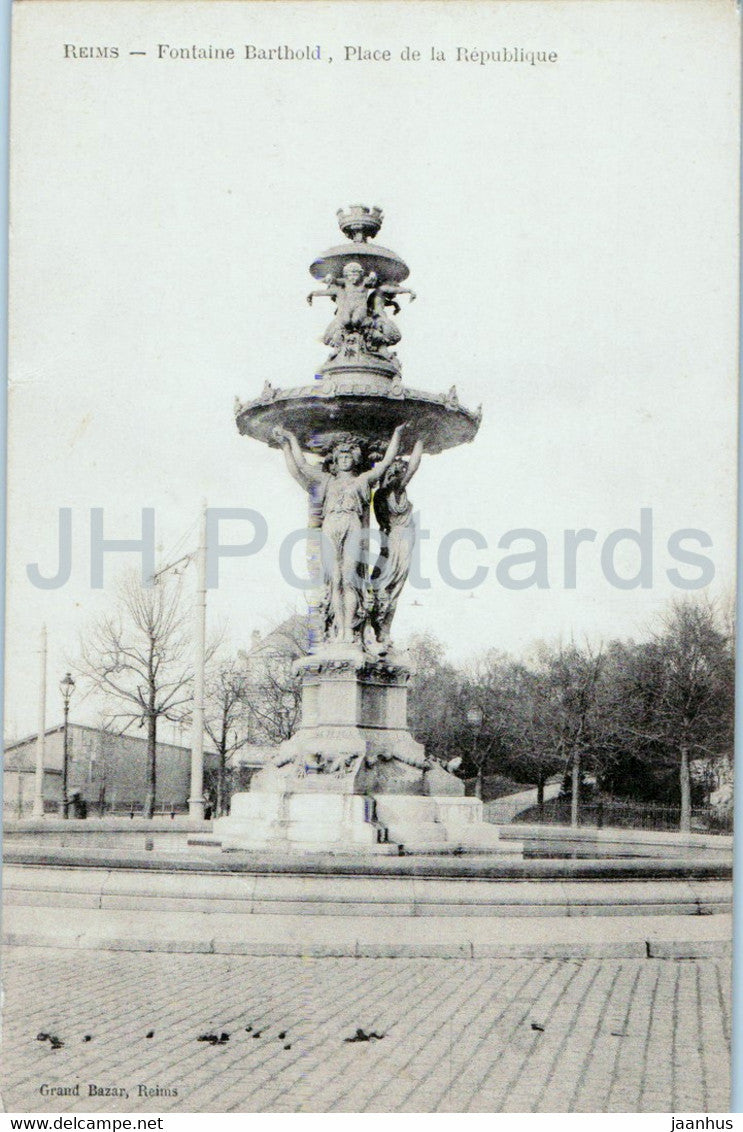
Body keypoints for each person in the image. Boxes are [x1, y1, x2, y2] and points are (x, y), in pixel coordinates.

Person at [273, 423, 408, 644]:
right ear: (335, 460)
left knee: (349, 579)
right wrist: (288, 441)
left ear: (354, 460)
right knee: (334, 580)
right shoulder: (326, 480)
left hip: (352, 523)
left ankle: (348, 630)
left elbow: (385, 463)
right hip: (331, 525)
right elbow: (300, 465)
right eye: (341, 457)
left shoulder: (362, 480)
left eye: (348, 457)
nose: (345, 460)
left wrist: (396, 434)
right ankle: (339, 631)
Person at [370, 437, 424, 646]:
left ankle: (379, 629)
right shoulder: (393, 491)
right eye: (397, 471)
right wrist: (420, 440)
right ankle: (381, 630)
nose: (401, 475)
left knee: (385, 585)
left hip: (395, 538)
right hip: (399, 540)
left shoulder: (380, 495)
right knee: (389, 586)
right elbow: (414, 467)